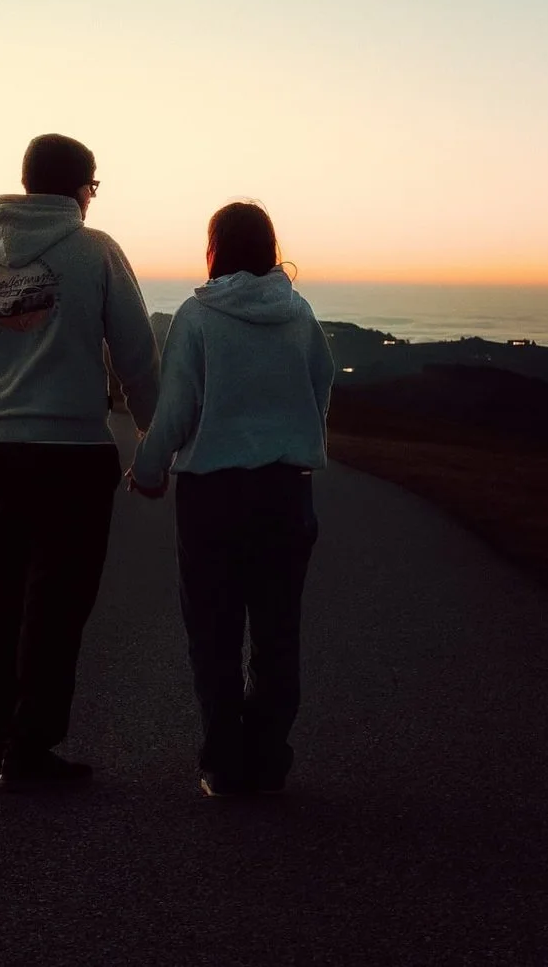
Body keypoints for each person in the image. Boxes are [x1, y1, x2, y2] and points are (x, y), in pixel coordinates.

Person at [0, 133, 160, 792]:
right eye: (94, 185)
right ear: (80, 187)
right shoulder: (95, 250)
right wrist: (153, 434)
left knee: (2, 593)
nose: (93, 197)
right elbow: (137, 355)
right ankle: (29, 747)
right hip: (75, 451)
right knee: (58, 601)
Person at [127, 201, 335, 798]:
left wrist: (149, 469)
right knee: (277, 633)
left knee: (214, 633)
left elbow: (176, 408)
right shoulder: (299, 314)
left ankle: (222, 762)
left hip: (212, 498)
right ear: (271, 250)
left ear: (213, 250)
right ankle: (267, 760)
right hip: (286, 492)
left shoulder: (198, 316)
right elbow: (321, 387)